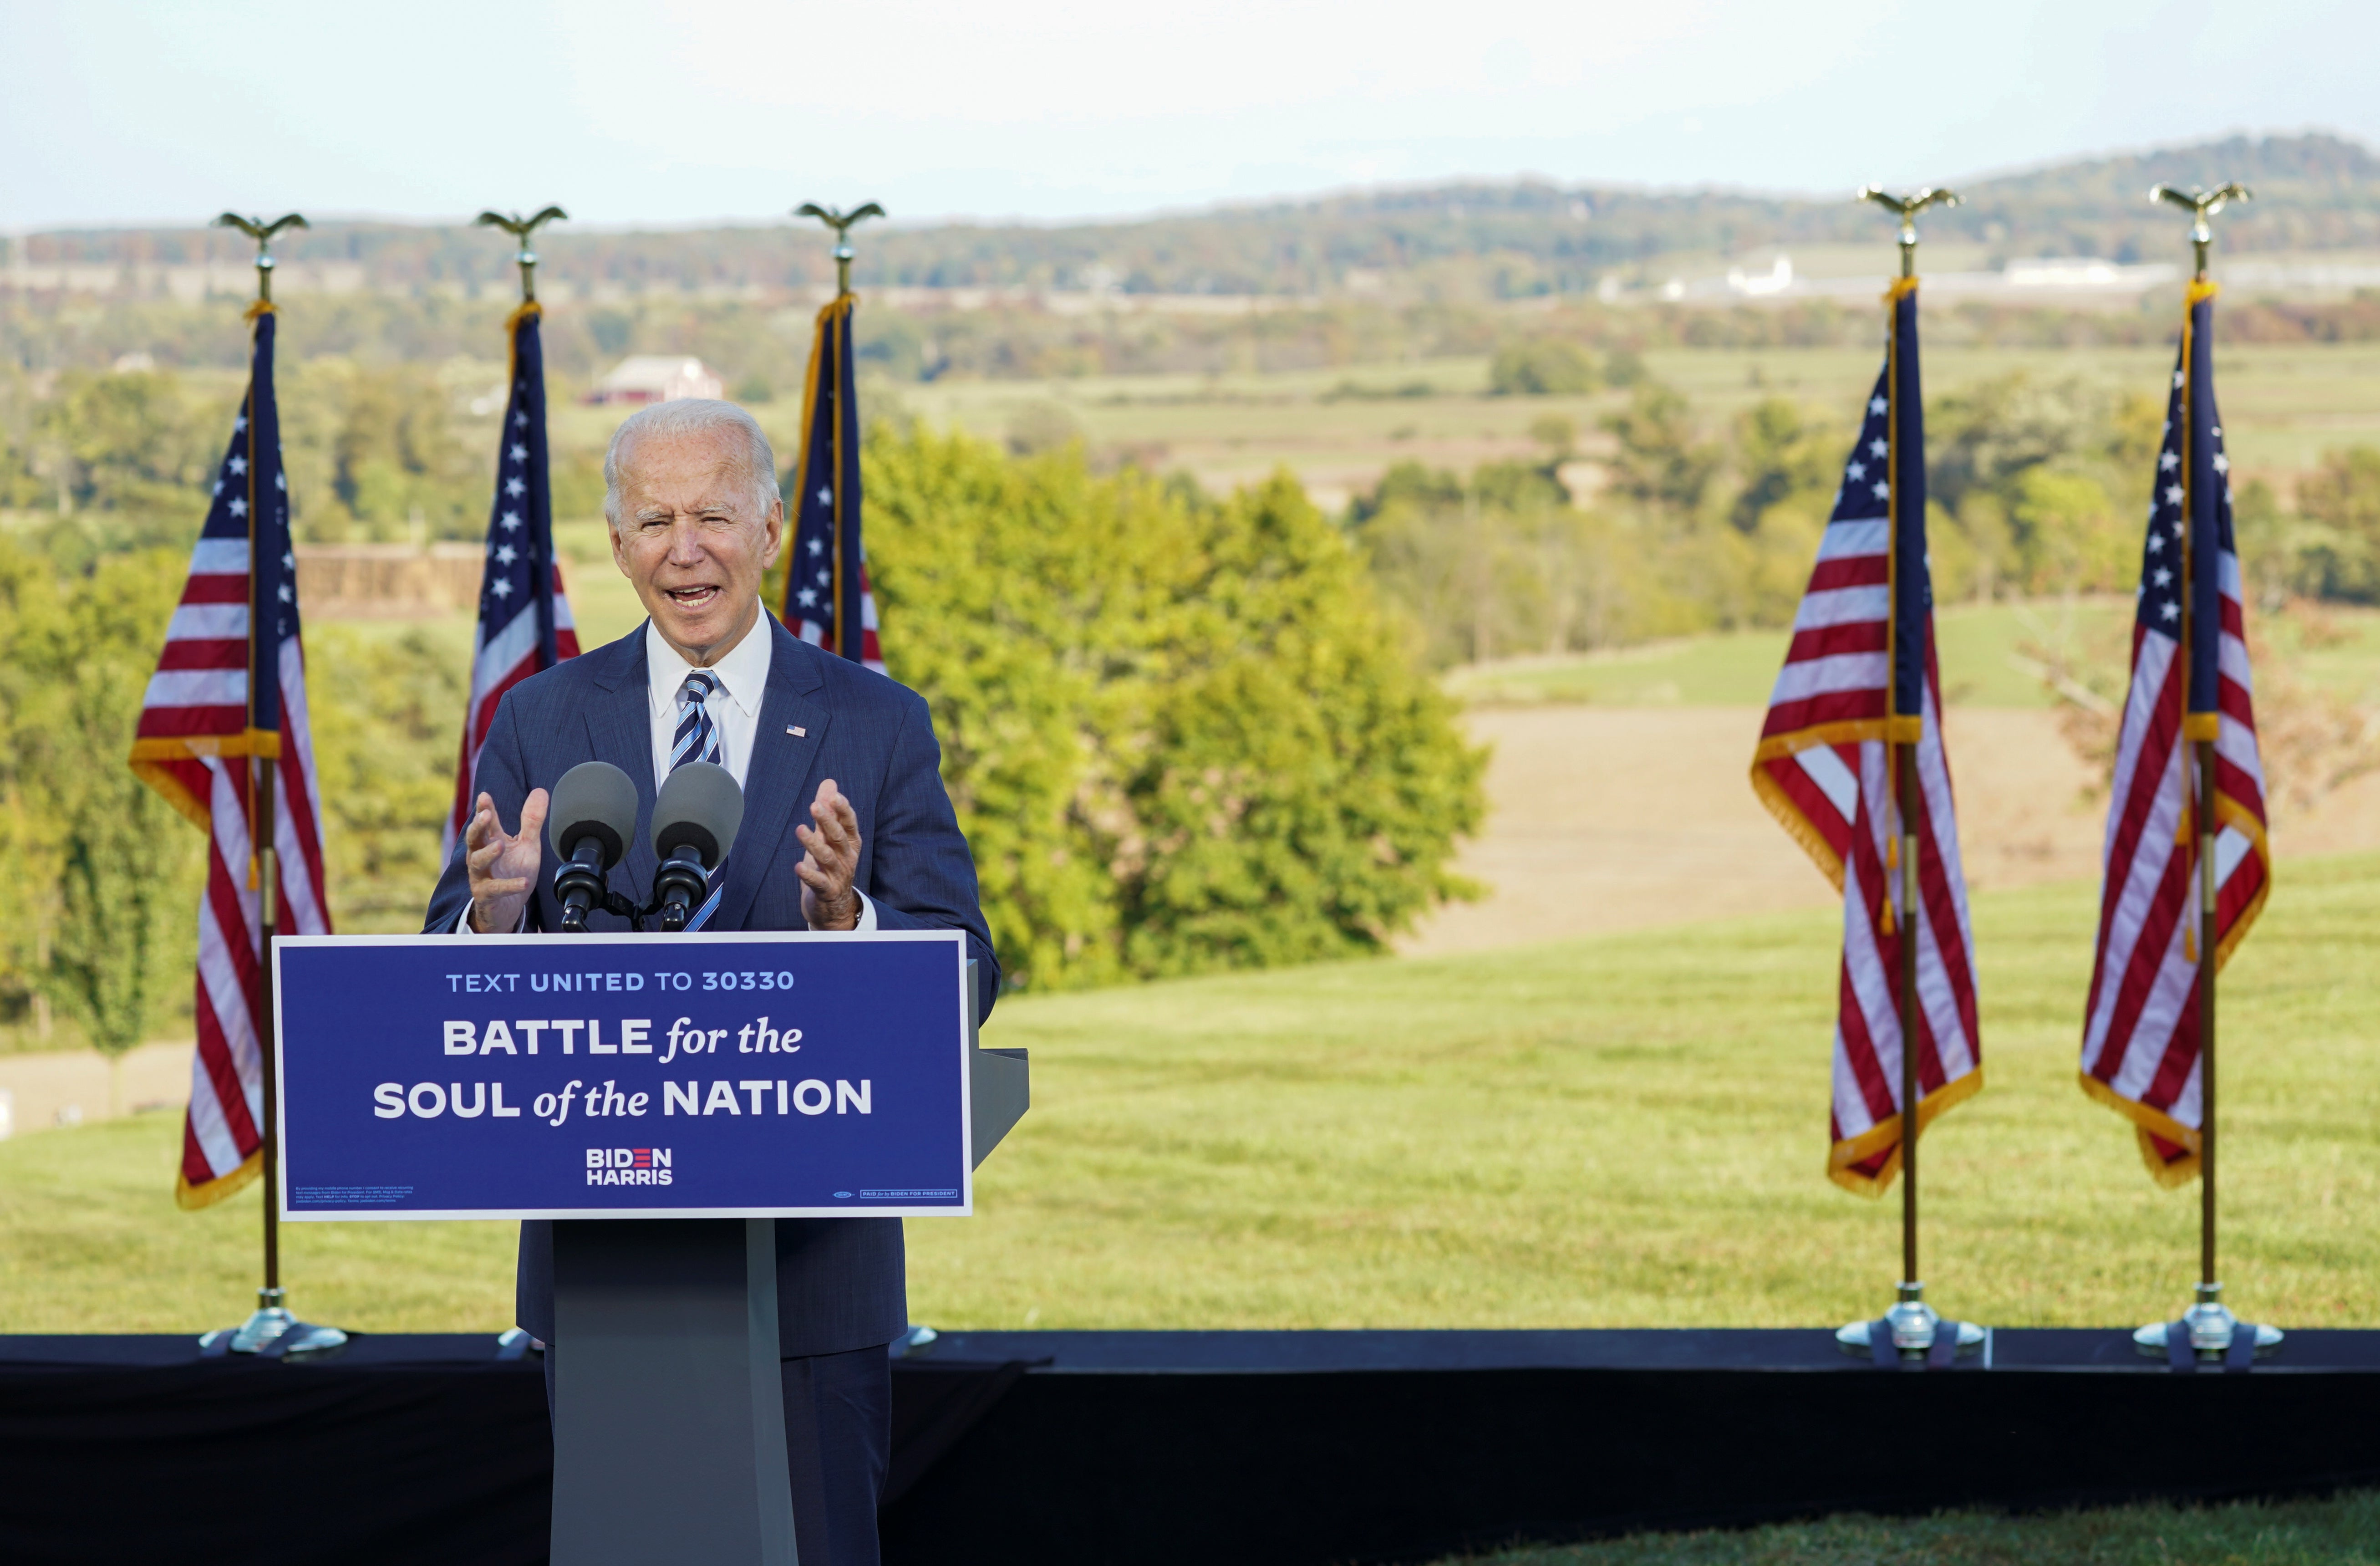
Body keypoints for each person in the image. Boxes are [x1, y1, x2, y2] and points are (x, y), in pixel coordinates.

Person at [422, 397, 997, 1566]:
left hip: (810, 1280)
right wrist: (493, 916)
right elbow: (451, 969)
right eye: (654, 521)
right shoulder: (539, 719)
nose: (686, 550)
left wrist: (853, 921)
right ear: (621, 544)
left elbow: (967, 968)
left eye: (714, 517)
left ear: (773, 528)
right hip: (604, 1269)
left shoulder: (876, 722)